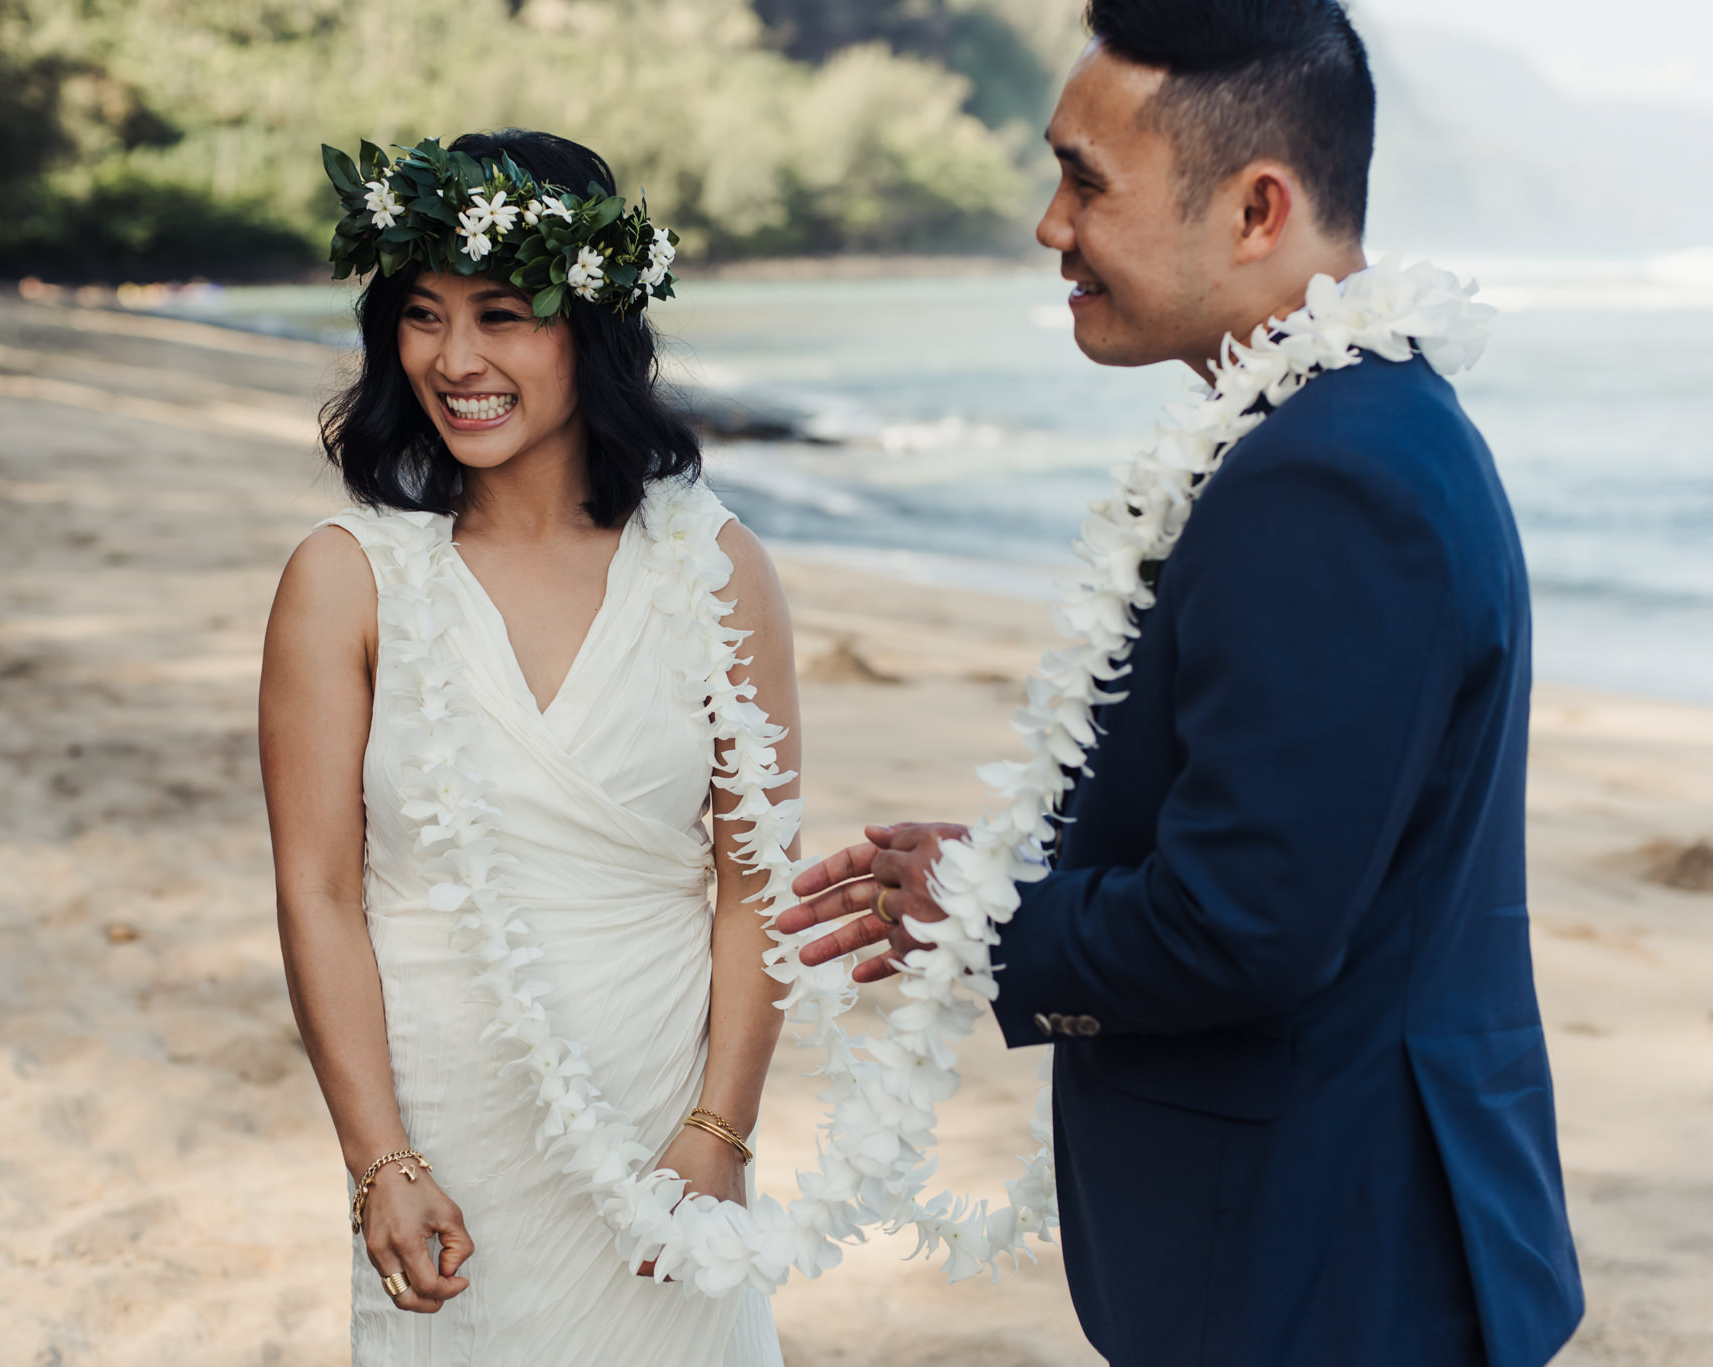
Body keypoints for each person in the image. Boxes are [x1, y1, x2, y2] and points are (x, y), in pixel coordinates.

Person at [781, 3, 1585, 1365]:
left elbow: (1246, 926)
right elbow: (1283, 847)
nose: (1051, 225)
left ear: (1257, 208)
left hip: (1328, 1261)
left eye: (1087, 179)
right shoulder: (1345, 427)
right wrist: (1005, 867)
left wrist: (990, 916)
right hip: (1334, 1235)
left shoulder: (1332, 480)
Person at [258, 128, 791, 1366]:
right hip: (444, 1141)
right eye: (422, 316)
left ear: (587, 324)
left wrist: (720, 1129)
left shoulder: (713, 565)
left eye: (501, 314)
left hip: (667, 1131)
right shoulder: (346, 580)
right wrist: (376, 1158)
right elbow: (319, 893)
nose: (455, 360)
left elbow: (754, 879)